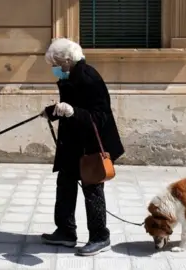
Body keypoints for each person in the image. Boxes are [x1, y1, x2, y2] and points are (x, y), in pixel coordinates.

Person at [40, 38, 125, 256]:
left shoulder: (89, 78)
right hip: (73, 142)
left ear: (68, 61)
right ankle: (66, 232)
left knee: (92, 190)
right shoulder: (69, 76)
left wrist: (72, 112)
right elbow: (69, 105)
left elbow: (101, 116)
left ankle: (100, 236)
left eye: (56, 64)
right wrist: (52, 111)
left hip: (92, 146)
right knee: (65, 184)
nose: (54, 69)